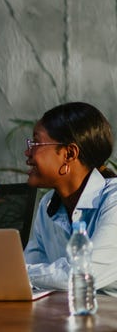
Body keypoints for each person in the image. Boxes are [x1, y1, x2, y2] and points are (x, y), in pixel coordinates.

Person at [23, 102, 117, 295]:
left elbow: (83, 275)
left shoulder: (113, 200)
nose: (28, 153)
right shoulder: (47, 205)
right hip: (71, 317)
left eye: (36, 143)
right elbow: (28, 268)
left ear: (69, 154)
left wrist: (17, 273)